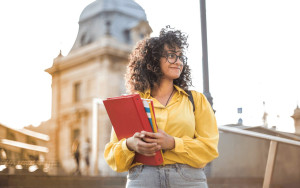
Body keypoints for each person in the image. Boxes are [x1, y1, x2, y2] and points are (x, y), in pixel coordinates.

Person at [104, 26, 219, 188]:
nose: (178, 62)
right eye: (171, 56)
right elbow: (114, 158)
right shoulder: (132, 103)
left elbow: (210, 148)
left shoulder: (196, 100)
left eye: (180, 57)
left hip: (188, 179)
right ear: (153, 60)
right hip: (143, 178)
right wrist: (130, 144)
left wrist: (172, 143)